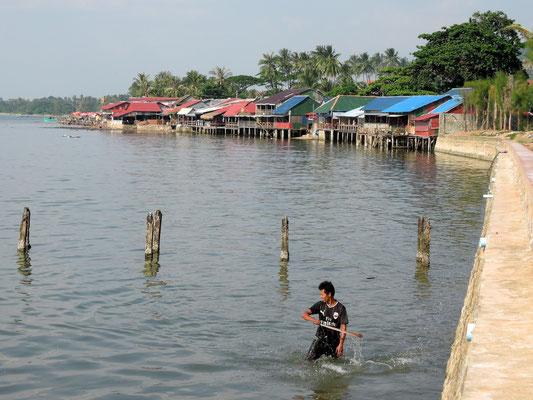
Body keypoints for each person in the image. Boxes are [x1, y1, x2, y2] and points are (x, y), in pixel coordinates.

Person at [301, 281, 349, 360]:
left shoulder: (341, 308)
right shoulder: (320, 305)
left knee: (334, 364)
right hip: (319, 339)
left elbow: (343, 328)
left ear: (329, 294)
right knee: (308, 361)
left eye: (322, 294)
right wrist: (314, 320)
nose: (321, 296)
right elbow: (304, 314)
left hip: (334, 342)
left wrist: (340, 345)